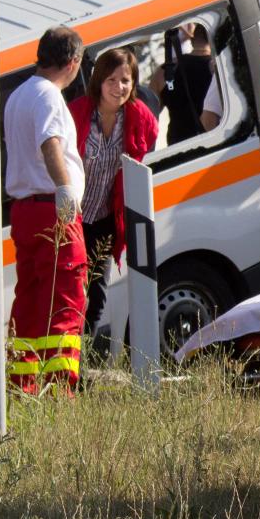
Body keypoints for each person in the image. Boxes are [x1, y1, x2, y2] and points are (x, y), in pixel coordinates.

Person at [2, 26, 88, 394]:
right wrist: (65, 189)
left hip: (24, 211)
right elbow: (50, 143)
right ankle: (60, 389)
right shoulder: (49, 97)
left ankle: (22, 385)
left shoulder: (18, 96)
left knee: (32, 300)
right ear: (72, 63)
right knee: (67, 297)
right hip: (53, 210)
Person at [69, 47, 160, 335]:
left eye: (125, 80)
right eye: (111, 80)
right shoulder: (77, 113)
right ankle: (65, 363)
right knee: (70, 294)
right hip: (72, 218)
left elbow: (149, 148)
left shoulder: (139, 118)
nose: (118, 87)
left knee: (96, 296)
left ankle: (82, 363)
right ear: (98, 81)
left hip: (106, 220)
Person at [165, 22, 216, 146]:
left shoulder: (166, 71)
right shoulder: (216, 69)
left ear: (192, 40)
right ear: (212, 39)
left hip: (177, 145)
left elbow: (150, 113)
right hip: (209, 142)